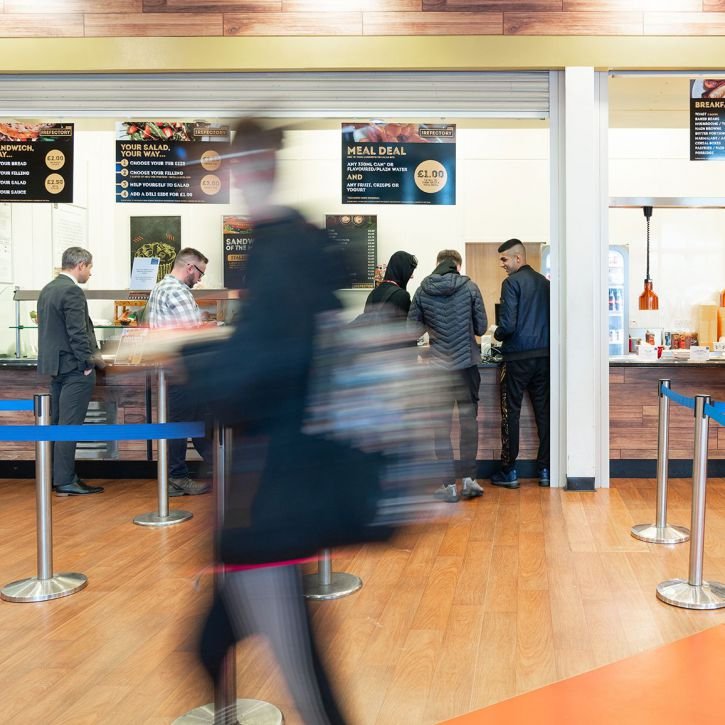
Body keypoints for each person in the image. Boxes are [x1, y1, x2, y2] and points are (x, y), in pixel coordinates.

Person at [183, 119, 353, 723]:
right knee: (206, 645)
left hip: (272, 498)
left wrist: (187, 356)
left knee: (307, 683)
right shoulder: (289, 244)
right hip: (260, 494)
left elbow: (268, 364)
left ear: (245, 169)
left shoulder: (282, 251)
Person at [408, 249, 487, 502]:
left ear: (437, 264)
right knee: (468, 423)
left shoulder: (422, 290)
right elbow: (482, 327)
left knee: (441, 427)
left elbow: (412, 330)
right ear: (458, 266)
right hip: (466, 367)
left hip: (439, 371)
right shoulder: (470, 287)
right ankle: (469, 480)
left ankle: (448, 486)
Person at [37, 247, 104, 496]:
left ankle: (57, 476)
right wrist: (87, 364)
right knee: (69, 425)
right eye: (90, 267)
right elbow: (78, 333)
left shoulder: (48, 289)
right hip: (74, 369)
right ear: (81, 265)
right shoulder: (72, 291)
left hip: (55, 368)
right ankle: (65, 480)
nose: (90, 272)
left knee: (57, 424)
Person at [146, 247, 212, 497]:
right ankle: (177, 478)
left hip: (172, 369)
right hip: (183, 371)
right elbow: (193, 335)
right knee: (183, 424)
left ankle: (217, 470)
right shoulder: (177, 290)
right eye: (200, 273)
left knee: (194, 423)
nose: (200, 279)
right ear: (189, 268)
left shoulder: (162, 287)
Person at [491, 238, 550, 489]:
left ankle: (509, 471)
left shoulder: (511, 283)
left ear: (518, 258)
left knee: (510, 413)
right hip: (545, 358)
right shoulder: (545, 284)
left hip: (516, 359)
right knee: (544, 413)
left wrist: (497, 334)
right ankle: (546, 469)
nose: (502, 264)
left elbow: (508, 325)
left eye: (504, 259)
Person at [363, 250, 417, 321]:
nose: (411, 276)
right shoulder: (402, 296)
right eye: (410, 272)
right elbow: (406, 327)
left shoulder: (373, 293)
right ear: (402, 271)